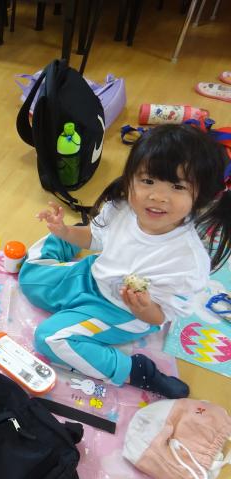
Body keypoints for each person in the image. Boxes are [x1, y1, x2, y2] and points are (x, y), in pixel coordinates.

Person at [20, 124, 231, 398]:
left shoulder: (187, 261)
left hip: (123, 312)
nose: (158, 196)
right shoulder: (121, 208)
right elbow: (95, 238)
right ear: (130, 178)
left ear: (199, 196)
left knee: (49, 338)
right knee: (29, 278)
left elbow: (160, 316)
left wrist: (143, 308)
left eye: (177, 186)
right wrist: (64, 231)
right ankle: (61, 242)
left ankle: (135, 371)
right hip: (93, 277)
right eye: (148, 181)